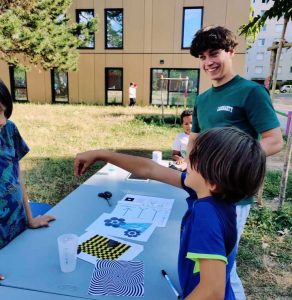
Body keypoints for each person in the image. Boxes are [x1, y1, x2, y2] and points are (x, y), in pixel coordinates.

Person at [74, 127, 266, 300]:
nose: (189, 158)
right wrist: (102, 154)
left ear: (214, 181)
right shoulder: (213, 196)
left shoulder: (207, 213)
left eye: (197, 157)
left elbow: (212, 291)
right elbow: (149, 168)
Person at [187, 25, 283, 299]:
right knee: (206, 260)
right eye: (203, 57)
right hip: (204, 191)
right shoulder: (202, 99)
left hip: (233, 196)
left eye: (214, 53)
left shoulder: (250, 92)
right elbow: (194, 140)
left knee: (223, 263)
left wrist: (228, 165)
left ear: (231, 51)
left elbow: (274, 141)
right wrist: (189, 168)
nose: (208, 62)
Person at [0, 80, 55, 279]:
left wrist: (30, 219)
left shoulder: (8, 129)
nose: (2, 120)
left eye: (5, 112)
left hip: (17, 227)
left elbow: (17, 175)